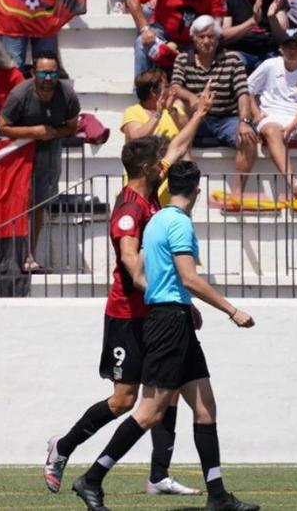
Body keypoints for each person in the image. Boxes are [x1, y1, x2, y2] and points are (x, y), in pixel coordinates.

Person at [43, 98, 214, 500]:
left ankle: (157, 475)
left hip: (153, 312)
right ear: (145, 169)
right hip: (128, 314)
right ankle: (62, 448)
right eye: (159, 164)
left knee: (167, 392)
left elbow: (172, 150)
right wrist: (171, 297)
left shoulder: (150, 196)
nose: (165, 167)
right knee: (124, 401)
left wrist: (200, 116)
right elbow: (130, 263)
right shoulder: (128, 209)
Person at [70, 160, 259, 511]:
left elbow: (141, 270)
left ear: (170, 186)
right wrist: (232, 311)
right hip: (170, 324)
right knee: (149, 412)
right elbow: (189, 277)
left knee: (205, 407)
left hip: (173, 318)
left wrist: (180, 304)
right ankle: (92, 478)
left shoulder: (155, 219)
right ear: (198, 190)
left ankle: (218, 496)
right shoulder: (179, 224)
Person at [0, 51, 80, 272]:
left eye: (52, 73)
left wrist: (53, 133)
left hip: (49, 152)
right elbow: (2, 127)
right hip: (19, 154)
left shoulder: (68, 95)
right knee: (18, 203)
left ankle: (29, 255)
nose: (48, 78)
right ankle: (10, 256)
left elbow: (72, 127)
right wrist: (33, 132)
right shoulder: (20, 94)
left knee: (38, 205)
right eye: (43, 73)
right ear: (34, 73)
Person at [170, 16, 260, 195]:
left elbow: (243, 93)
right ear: (194, 38)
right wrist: (192, 98)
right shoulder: (182, 59)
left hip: (226, 117)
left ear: (218, 39)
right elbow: (175, 87)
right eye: (202, 36)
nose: (206, 41)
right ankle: (188, 167)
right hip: (197, 118)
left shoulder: (233, 59)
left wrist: (244, 121)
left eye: (211, 36)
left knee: (249, 138)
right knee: (178, 106)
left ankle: (237, 192)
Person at [249, 30, 297, 193]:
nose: (292, 51)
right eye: (288, 46)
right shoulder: (269, 65)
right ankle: (293, 182)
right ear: (280, 49)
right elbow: (247, 90)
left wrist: (291, 126)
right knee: (271, 130)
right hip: (271, 116)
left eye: (296, 46)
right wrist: (256, 115)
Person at [128, 0, 228, 76]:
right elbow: (132, 0)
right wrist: (145, 29)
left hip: (194, 38)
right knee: (141, 43)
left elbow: (217, 21)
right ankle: (141, 89)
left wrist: (204, 41)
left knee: (212, 46)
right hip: (163, 32)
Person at [221, 0, 290, 73]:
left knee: (278, 65)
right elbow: (224, 37)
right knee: (233, 64)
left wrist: (272, 18)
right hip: (240, 51)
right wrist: (252, 22)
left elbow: (283, 37)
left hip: (268, 52)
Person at [123, 68, 189, 142]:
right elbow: (136, 138)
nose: (171, 89)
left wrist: (172, 111)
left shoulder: (175, 109)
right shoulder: (132, 111)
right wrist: (158, 114)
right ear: (153, 92)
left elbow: (189, 132)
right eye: (166, 86)